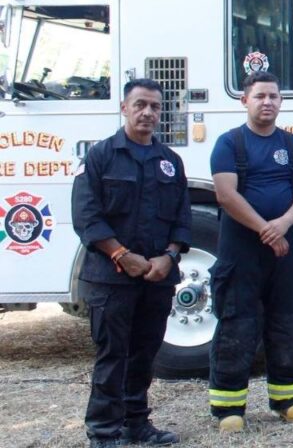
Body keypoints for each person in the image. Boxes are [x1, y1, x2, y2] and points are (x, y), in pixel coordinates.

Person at [72, 78, 190, 447]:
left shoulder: (170, 162)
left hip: (156, 278)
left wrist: (169, 257)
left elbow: (182, 219)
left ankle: (136, 423)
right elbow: (86, 217)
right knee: (113, 356)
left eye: (155, 107)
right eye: (140, 105)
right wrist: (122, 255)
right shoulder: (100, 157)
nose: (148, 113)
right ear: (124, 108)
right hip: (112, 279)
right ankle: (104, 431)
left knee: (144, 355)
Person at [207, 71, 293, 432]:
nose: (267, 102)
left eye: (273, 96)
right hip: (241, 251)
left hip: (285, 250)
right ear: (244, 100)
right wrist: (266, 229)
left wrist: (283, 223)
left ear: (280, 101)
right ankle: (228, 407)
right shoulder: (229, 143)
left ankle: (288, 401)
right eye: (260, 96)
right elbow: (226, 195)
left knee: (289, 322)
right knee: (237, 324)